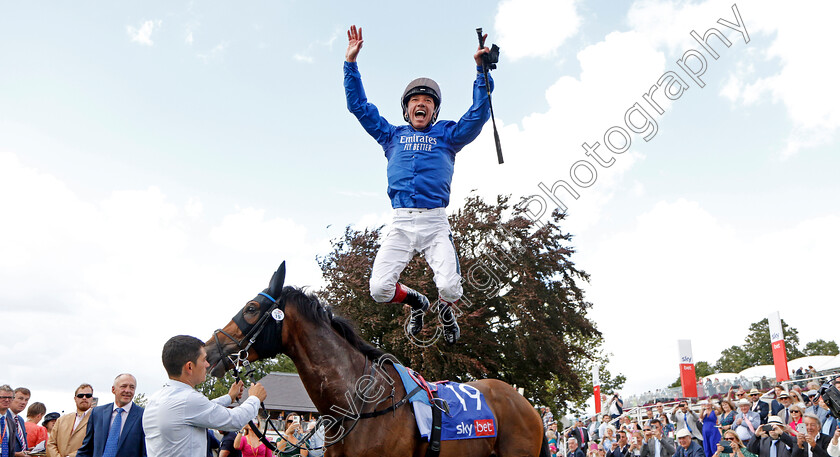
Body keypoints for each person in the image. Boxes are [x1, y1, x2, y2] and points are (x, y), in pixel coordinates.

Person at [343, 24, 494, 345]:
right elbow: (359, 108)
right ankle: (417, 303)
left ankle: (447, 310)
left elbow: (479, 114)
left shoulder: (448, 136)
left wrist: (482, 72)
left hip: (435, 223)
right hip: (400, 222)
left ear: (434, 110)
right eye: (415, 100)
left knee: (452, 287)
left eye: (427, 100)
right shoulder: (391, 135)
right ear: (407, 108)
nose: (421, 104)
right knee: (379, 290)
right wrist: (350, 65)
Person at [143, 335, 267, 457]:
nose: (207, 364)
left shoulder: (156, 399)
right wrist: (255, 398)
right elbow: (235, 420)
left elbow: (203, 409)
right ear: (190, 367)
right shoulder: (188, 400)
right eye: (204, 360)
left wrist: (229, 397)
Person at [77, 373, 146, 457]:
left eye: (132, 387)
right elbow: (87, 449)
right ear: (113, 389)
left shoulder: (143, 415)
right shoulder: (97, 413)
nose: (127, 390)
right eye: (123, 386)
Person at [47, 383, 94, 457]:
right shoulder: (61, 420)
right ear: (75, 399)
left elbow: (92, 445)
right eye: (80, 396)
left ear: (92, 398)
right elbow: (51, 443)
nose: (84, 398)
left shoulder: (97, 420)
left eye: (88, 395)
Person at [1, 384, 24, 457]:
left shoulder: (11, 423)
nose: (7, 400)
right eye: (3, 397)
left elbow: (10, 449)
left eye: (10, 397)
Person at [10, 387, 31, 455]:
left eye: (26, 400)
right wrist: (16, 454)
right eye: (20, 398)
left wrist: (27, 450)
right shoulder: (2, 418)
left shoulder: (20, 420)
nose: (23, 402)